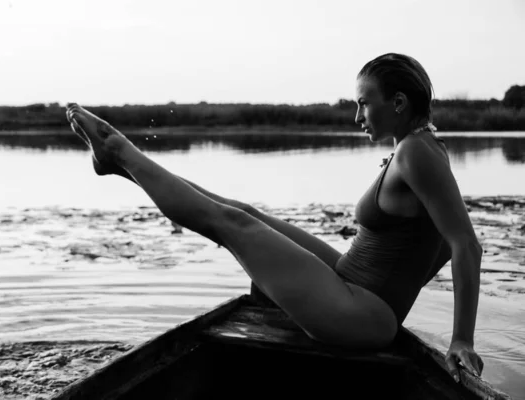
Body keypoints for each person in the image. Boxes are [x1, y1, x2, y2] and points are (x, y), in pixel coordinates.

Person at [65, 52, 483, 382]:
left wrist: (459, 339)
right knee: (245, 213)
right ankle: (120, 165)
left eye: (363, 103)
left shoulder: (417, 153)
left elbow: (465, 243)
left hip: (360, 313)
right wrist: (398, 285)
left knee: (232, 224)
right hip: (353, 286)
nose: (358, 117)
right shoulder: (421, 148)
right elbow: (444, 244)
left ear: (398, 102)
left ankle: (118, 149)